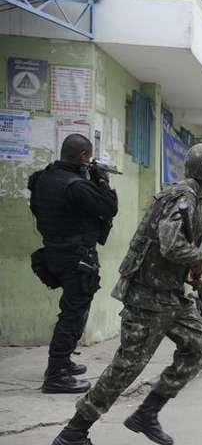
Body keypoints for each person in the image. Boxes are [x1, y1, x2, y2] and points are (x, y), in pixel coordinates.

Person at [51, 143, 202, 445]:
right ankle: (74, 432)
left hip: (169, 294)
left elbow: (170, 247)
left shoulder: (186, 195)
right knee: (127, 366)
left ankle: (147, 413)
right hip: (148, 296)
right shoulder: (182, 197)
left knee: (198, 345)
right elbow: (171, 244)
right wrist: (197, 257)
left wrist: (188, 270)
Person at [27, 133, 118, 394]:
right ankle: (55, 375)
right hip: (76, 257)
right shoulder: (76, 186)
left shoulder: (43, 178)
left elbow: (39, 210)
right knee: (73, 314)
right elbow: (109, 208)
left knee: (72, 310)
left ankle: (63, 362)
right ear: (83, 156)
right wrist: (101, 180)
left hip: (53, 250)